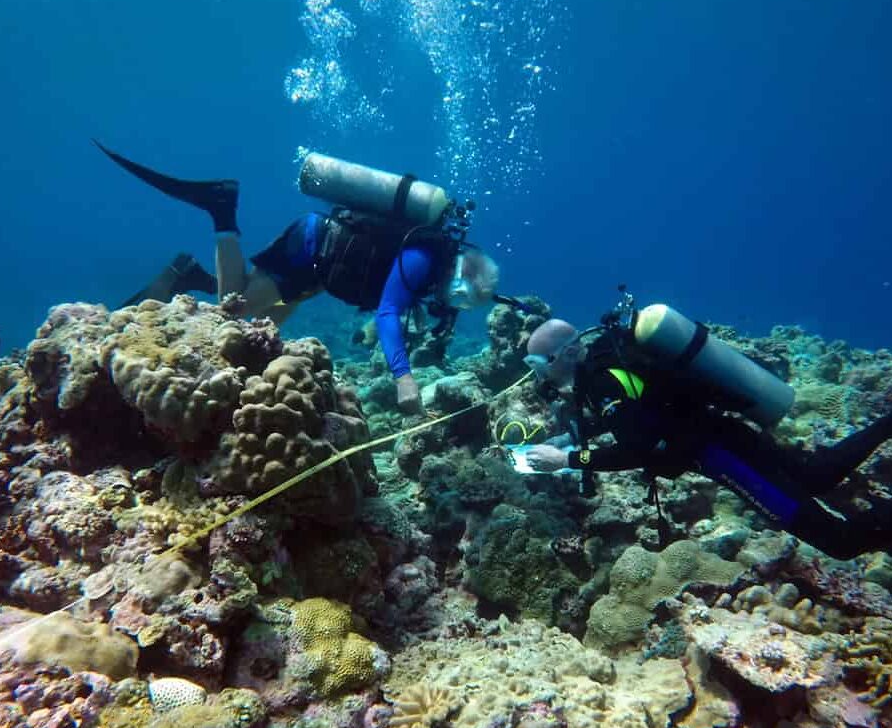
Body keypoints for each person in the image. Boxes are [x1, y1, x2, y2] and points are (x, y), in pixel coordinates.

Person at [94, 142, 501, 413]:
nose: (458, 306)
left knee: (259, 333)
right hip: (310, 248)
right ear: (462, 276)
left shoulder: (429, 266)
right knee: (230, 312)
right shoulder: (422, 259)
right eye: (464, 299)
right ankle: (222, 207)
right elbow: (389, 311)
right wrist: (404, 378)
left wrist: (365, 334)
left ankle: (192, 275)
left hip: (320, 270)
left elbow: (381, 292)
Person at [521, 312, 892, 561]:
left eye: (539, 364)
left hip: (719, 455)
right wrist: (571, 439)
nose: (537, 375)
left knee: (837, 542)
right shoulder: (608, 356)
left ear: (567, 352)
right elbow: (643, 409)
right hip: (727, 431)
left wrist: (566, 461)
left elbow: (638, 449)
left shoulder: (601, 382)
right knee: (815, 474)